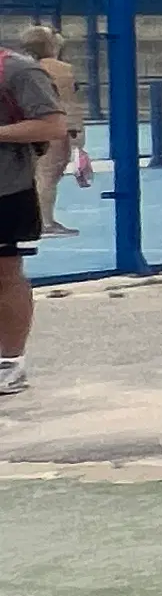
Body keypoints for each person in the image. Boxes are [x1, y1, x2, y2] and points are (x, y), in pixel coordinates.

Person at [0, 33, 62, 394]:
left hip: (6, 189)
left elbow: (51, 125)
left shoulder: (18, 71)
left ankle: (10, 363)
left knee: (5, 273)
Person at [15, 19, 85, 235]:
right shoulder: (61, 70)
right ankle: (45, 221)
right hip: (51, 126)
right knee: (48, 173)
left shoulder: (19, 67)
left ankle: (39, 219)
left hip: (22, 124)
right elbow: (67, 103)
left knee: (34, 173)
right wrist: (77, 133)